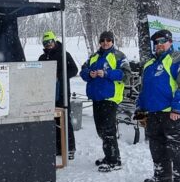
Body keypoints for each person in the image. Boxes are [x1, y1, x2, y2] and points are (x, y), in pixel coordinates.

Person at [135, 29, 180, 182]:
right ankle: (162, 177)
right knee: (157, 146)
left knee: (176, 147)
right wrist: (140, 107)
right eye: (156, 42)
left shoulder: (178, 58)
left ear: (170, 42)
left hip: (173, 112)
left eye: (162, 41)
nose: (159, 45)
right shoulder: (149, 63)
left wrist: (177, 107)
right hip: (154, 113)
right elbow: (145, 89)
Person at [80, 30, 130, 172]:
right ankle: (108, 156)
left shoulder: (119, 55)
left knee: (108, 129)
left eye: (108, 40)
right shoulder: (94, 56)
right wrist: (89, 73)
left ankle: (114, 160)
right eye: (103, 40)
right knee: (100, 129)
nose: (105, 43)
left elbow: (126, 75)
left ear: (112, 41)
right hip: (96, 97)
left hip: (110, 97)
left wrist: (107, 74)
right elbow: (82, 71)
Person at [38, 31, 78, 159]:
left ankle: (70, 147)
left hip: (62, 93)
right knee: (52, 120)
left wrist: (59, 76)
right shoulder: (42, 58)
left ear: (54, 41)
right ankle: (57, 147)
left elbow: (74, 70)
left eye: (50, 42)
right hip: (48, 93)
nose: (48, 45)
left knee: (65, 119)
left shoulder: (64, 54)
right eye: (45, 43)